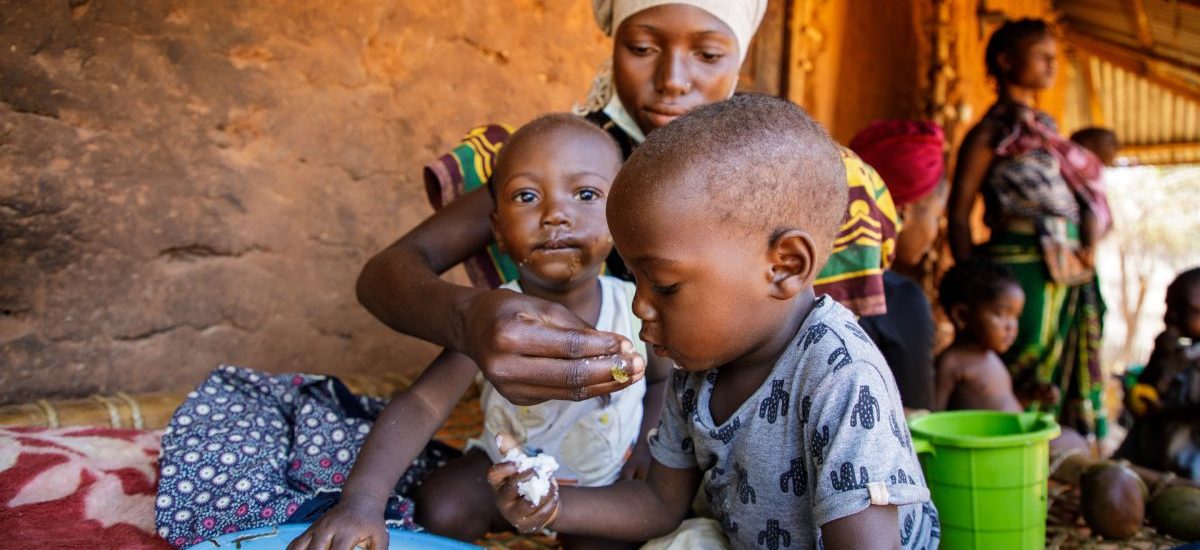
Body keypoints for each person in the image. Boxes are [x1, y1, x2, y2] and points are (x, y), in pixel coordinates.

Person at [355, 0, 900, 408]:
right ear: (612, 41)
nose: (672, 81)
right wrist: (466, 317)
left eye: (708, 54)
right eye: (642, 48)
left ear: (740, 56)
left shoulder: (794, 178)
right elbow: (385, 274)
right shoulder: (564, 164)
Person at [487, 95, 939, 550]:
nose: (640, 306)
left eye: (663, 286)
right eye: (635, 281)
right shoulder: (696, 370)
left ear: (784, 266)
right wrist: (553, 505)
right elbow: (659, 505)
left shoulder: (841, 380)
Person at [286, 115, 672, 550]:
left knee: (614, 540)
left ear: (621, 218)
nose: (555, 215)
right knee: (441, 506)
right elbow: (421, 404)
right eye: (527, 196)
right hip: (501, 471)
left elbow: (661, 381)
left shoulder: (634, 310)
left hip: (600, 484)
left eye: (585, 194)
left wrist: (646, 447)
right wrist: (361, 503)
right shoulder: (494, 320)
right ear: (498, 231)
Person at [947, 18, 1109, 438]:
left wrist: (1088, 242)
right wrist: (972, 280)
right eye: (1043, 56)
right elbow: (960, 211)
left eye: (1056, 58)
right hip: (1017, 259)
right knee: (1021, 346)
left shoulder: (1048, 131)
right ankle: (1002, 437)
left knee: (1057, 359)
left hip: (1068, 261)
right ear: (1005, 61)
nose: (1053, 65)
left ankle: (1047, 442)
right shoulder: (990, 133)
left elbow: (1084, 194)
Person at [851, 120, 949, 410]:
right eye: (936, 216)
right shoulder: (899, 298)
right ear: (902, 214)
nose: (937, 230)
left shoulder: (802, 276)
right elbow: (918, 423)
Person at [1119, 267, 1200, 480]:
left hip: (1190, 463)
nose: (1171, 316)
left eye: (1184, 309)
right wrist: (1159, 356)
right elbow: (1147, 386)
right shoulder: (1175, 350)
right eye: (1169, 306)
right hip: (1152, 453)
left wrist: (1166, 410)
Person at [933, 259, 1027, 412]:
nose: (1011, 326)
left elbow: (1002, 408)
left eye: (1016, 316)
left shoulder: (992, 358)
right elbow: (933, 418)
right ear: (962, 316)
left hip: (1013, 435)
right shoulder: (951, 363)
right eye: (1001, 314)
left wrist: (1028, 397)